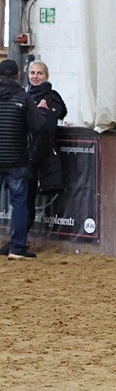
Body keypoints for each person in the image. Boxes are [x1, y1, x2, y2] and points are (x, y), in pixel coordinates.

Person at [0, 58, 45, 259]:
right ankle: (17, 248)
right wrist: (41, 110)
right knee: (19, 203)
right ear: (18, 75)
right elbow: (39, 126)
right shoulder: (24, 98)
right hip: (16, 158)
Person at [24, 61, 68, 229]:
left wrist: (42, 112)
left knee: (27, 198)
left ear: (46, 76)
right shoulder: (24, 95)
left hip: (37, 156)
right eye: (32, 73)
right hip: (24, 154)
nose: (35, 76)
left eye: (39, 73)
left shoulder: (52, 97)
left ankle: (20, 239)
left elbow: (48, 127)